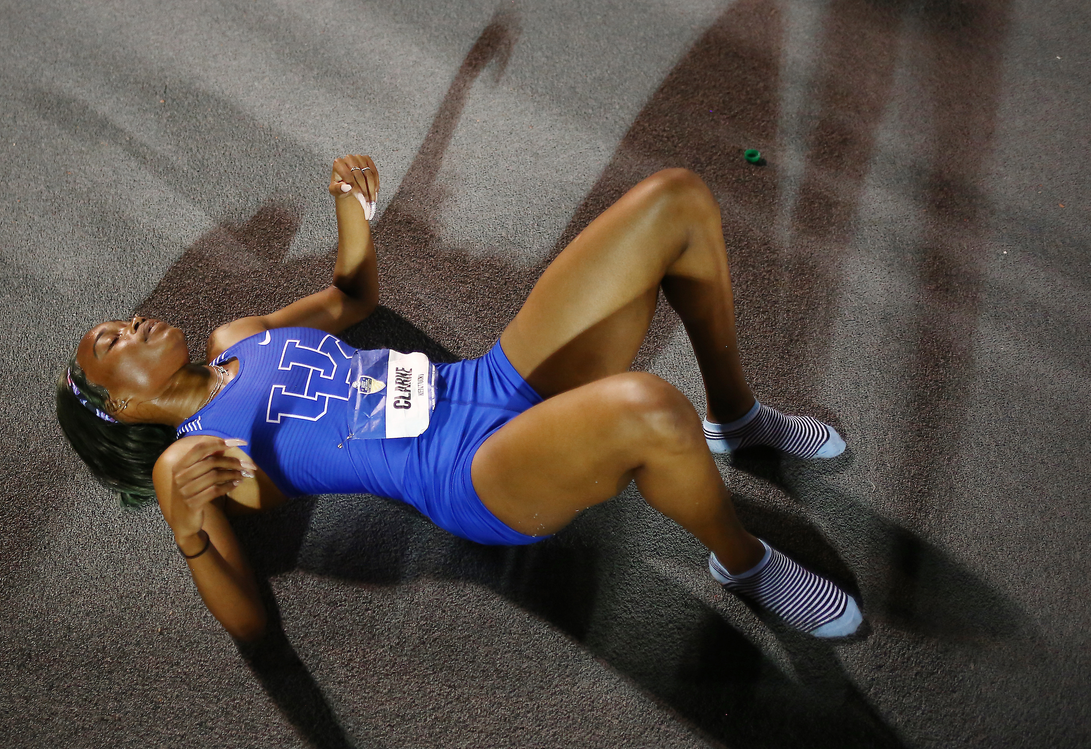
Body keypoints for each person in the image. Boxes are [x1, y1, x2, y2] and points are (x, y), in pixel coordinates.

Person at [57, 154, 862, 645]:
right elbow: (250, 624)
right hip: (473, 474)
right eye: (112, 344)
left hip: (487, 381)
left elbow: (352, 298)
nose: (133, 323)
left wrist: (352, 216)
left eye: (120, 321)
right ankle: (744, 562)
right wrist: (186, 526)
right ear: (120, 408)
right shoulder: (198, 460)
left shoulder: (240, 335)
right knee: (649, 406)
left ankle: (736, 417)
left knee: (673, 200)